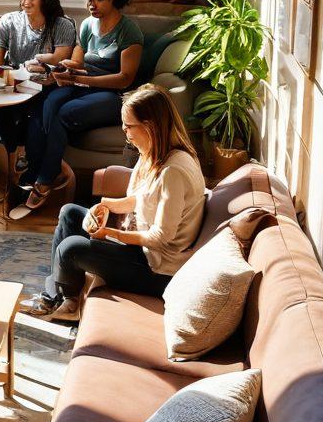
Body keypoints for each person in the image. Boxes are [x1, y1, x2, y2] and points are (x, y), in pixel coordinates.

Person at [21, 84, 206, 321]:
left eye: (129, 126)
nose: (124, 131)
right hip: (144, 247)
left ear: (150, 127)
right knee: (69, 213)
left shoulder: (174, 171)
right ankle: (57, 296)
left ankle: (68, 303)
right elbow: (144, 199)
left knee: (71, 249)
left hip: (157, 268)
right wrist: (106, 206)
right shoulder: (155, 153)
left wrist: (111, 233)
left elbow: (161, 237)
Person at [10, 0, 143, 218]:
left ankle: (45, 179)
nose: (91, 4)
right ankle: (38, 169)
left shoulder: (129, 31)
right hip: (85, 85)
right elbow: (77, 62)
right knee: (43, 103)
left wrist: (82, 79)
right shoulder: (86, 25)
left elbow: (125, 78)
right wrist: (60, 69)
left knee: (64, 112)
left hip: (113, 94)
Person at [0, 0, 76, 171]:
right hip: (15, 82)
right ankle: (11, 158)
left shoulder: (63, 24)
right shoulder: (9, 21)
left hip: (46, 85)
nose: (25, 2)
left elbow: (60, 59)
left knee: (39, 114)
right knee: (1, 110)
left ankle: (30, 165)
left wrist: (37, 64)